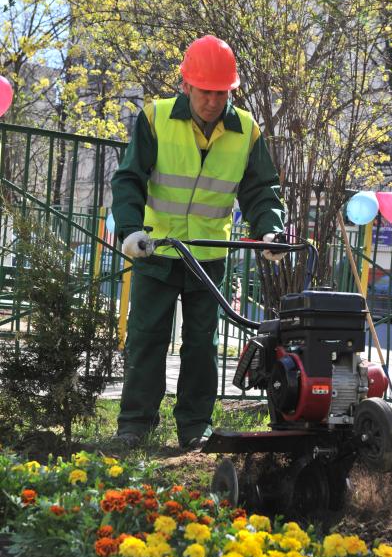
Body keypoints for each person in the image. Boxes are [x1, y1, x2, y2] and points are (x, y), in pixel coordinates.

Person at [111, 34, 286, 450]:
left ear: (231, 90)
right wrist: (130, 230)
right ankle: (135, 423)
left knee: (202, 346)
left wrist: (270, 229)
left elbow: (261, 189)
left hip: (208, 256)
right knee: (146, 337)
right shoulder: (154, 118)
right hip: (156, 251)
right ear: (186, 85)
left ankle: (194, 427)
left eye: (221, 92)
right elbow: (129, 178)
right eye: (205, 91)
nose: (212, 100)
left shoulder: (246, 130)